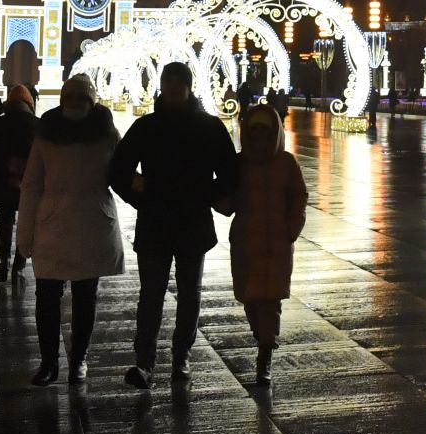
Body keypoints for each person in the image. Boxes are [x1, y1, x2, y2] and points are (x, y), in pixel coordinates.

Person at [108, 61, 237, 389]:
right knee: (156, 293)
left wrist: (200, 194)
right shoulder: (184, 126)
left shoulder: (157, 126)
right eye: (170, 83)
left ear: (188, 87)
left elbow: (230, 173)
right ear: (164, 86)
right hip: (168, 222)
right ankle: (149, 361)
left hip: (176, 222)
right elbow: (118, 170)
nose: (174, 89)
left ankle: (177, 355)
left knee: (183, 293)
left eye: (179, 84)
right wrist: (143, 196)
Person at [17, 75, 124, 386]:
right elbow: (31, 184)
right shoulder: (46, 135)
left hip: (91, 223)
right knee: (47, 295)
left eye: (81, 96)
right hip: (54, 223)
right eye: (71, 95)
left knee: (85, 296)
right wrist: (25, 234)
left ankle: (79, 358)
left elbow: (122, 173)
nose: (75, 101)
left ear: (91, 100)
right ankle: (49, 361)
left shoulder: (107, 134)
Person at [219, 104, 308, 384]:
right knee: (250, 299)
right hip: (246, 242)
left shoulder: (286, 163)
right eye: (254, 128)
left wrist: (291, 230)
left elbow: (299, 198)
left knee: (270, 301)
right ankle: (262, 337)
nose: (259, 134)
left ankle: (265, 355)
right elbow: (226, 201)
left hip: (277, 245)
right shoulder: (238, 163)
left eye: (264, 129)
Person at [0, 84, 39, 283]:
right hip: (28, 182)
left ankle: (3, 261)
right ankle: (19, 265)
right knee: (26, 222)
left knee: (5, 220)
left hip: (3, 180)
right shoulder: (37, 124)